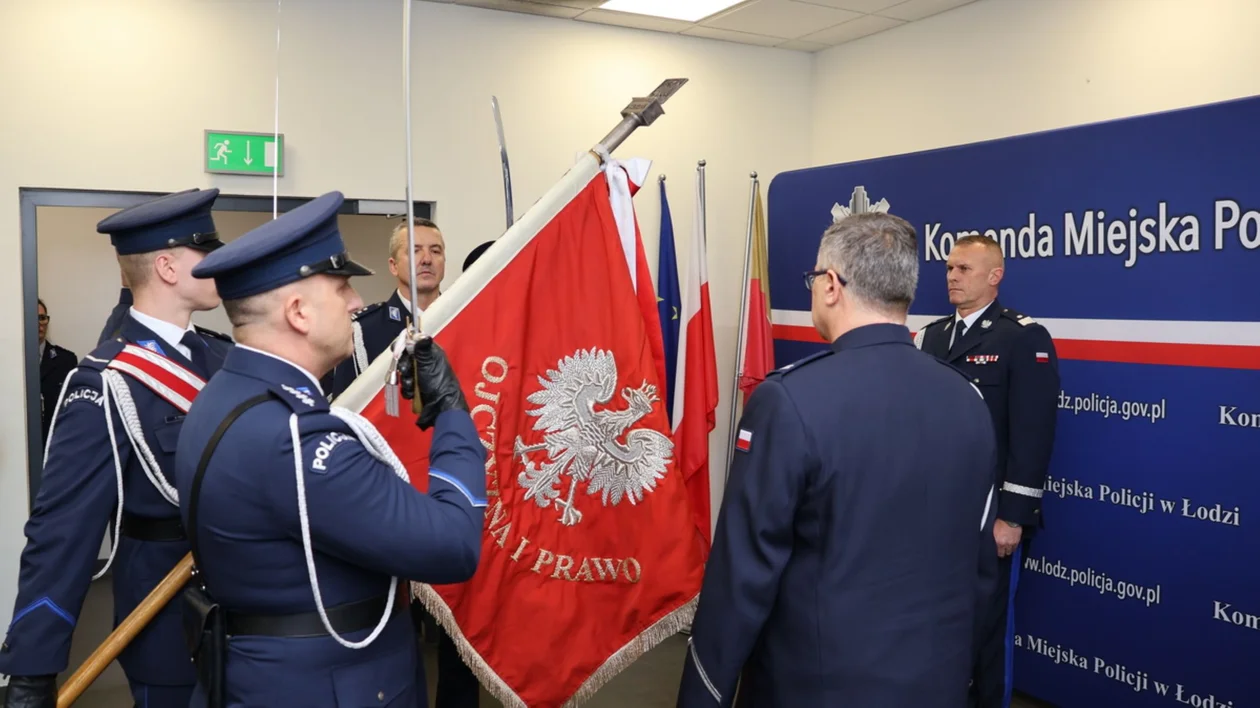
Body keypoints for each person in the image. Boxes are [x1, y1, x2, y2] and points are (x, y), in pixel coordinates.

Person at [175, 190, 486, 708]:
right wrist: (452, 414)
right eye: (341, 288)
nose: (356, 302)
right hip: (329, 685)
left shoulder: (226, 393)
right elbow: (454, 545)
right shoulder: (296, 439)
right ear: (298, 312)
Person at [677, 213, 999, 708]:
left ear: (830, 285)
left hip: (816, 689)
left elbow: (741, 578)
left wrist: (703, 695)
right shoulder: (968, 399)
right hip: (937, 684)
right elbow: (979, 571)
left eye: (813, 278)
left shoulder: (788, 401)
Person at [0, 188, 232, 708]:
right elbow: (62, 530)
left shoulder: (222, 356)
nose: (218, 261)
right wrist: (32, 669)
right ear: (168, 268)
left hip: (248, 620)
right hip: (169, 627)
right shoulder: (105, 382)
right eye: (206, 249)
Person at [913, 233, 1060, 708]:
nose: (952, 277)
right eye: (949, 268)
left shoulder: (1021, 337)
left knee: (988, 627)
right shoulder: (930, 337)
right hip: (937, 510)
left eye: (964, 269)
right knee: (938, 622)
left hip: (991, 515)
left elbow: (1032, 434)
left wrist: (1013, 515)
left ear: (995, 276)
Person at [323, 217, 447, 400]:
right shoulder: (362, 332)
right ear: (393, 266)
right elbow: (347, 406)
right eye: (415, 251)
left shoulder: (464, 319)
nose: (427, 259)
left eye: (435, 251)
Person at [36, 299, 77, 448]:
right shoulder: (11, 361)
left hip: (56, 444)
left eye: (42, 318)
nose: (39, 323)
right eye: (32, 318)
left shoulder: (66, 360)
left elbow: (72, 410)